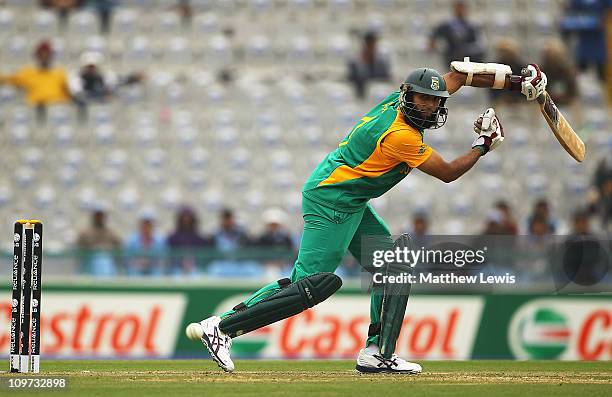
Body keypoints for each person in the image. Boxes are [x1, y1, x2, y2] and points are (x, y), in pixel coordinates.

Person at [185, 61, 546, 373]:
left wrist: (516, 81)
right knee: (309, 285)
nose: (430, 105)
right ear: (409, 95)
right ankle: (223, 328)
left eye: (435, 100)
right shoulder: (400, 135)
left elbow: (459, 76)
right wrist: (482, 145)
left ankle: (378, 354)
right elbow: (449, 172)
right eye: (424, 99)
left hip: (351, 198)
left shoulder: (397, 100)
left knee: (393, 265)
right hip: (334, 199)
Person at [0, 40, 71, 121]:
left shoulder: (60, 73)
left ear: (51, 56)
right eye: (41, 55)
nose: (44, 58)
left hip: (55, 109)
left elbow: (68, 93)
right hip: (34, 109)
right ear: (37, 56)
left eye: (47, 55)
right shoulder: (28, 73)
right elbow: (9, 79)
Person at [429, 0, 485, 67]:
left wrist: (466, 49)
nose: (460, 10)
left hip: (468, 60)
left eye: (462, 8)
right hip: (451, 59)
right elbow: (433, 37)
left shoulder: (472, 26)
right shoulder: (446, 26)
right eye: (458, 7)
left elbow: (479, 45)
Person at [166, 206, 211, 276]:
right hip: (177, 269)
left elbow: (203, 257)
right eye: (184, 217)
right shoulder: (173, 238)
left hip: (195, 269)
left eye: (188, 217)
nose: (186, 220)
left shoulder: (199, 238)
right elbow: (170, 257)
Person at [76, 208, 121, 276]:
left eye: (101, 215)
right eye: (97, 215)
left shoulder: (111, 233)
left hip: (108, 262)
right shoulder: (85, 233)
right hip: (89, 262)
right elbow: (78, 249)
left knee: (103, 261)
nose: (99, 218)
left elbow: (119, 248)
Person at [347, 30, 391, 99]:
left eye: (373, 43)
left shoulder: (382, 63)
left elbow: (385, 80)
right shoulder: (354, 63)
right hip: (360, 97)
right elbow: (351, 81)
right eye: (368, 43)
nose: (371, 46)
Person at [124, 212, 166, 276]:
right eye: (144, 223)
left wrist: (150, 263)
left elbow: (163, 260)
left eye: (149, 224)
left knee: (157, 274)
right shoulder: (131, 240)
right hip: (136, 270)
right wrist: (138, 263)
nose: (146, 226)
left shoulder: (160, 240)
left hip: (154, 270)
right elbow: (126, 260)